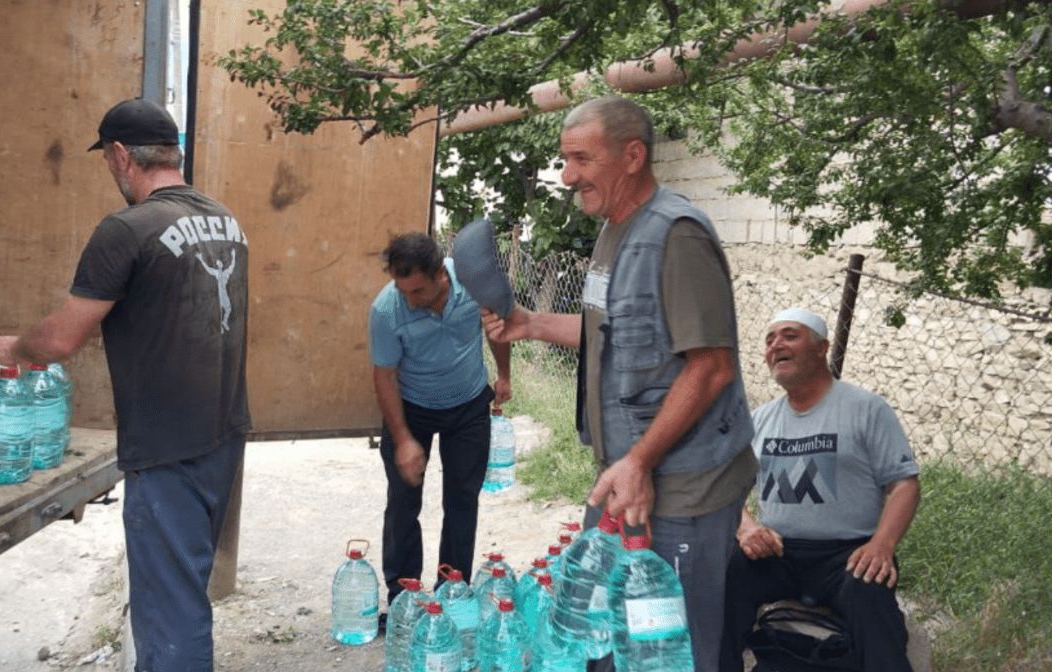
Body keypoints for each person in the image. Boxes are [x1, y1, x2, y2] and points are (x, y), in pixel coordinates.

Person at [481, 95, 755, 672]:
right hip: (629, 478)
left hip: (682, 488)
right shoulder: (613, 229)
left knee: (673, 648)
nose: (566, 176)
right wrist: (530, 324)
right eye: (564, 159)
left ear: (633, 156)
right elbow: (613, 331)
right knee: (608, 638)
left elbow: (711, 366)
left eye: (581, 159)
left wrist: (640, 461)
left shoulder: (676, 235)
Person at [0, 98, 250, 672]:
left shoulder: (128, 228)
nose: (109, 166)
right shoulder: (226, 220)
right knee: (183, 596)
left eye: (107, 155)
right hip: (223, 436)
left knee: (171, 616)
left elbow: (61, 340)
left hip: (166, 449)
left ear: (122, 155)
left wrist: (15, 349)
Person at [721, 308, 921, 672]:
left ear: (821, 348)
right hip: (778, 553)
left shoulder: (865, 408)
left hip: (847, 554)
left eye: (789, 335)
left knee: (870, 595)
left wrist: (882, 545)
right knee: (726, 576)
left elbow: (905, 484)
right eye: (769, 340)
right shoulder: (761, 419)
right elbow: (730, 489)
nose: (776, 345)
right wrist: (747, 528)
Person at [369, 232, 512, 607]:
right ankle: (404, 597)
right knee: (403, 502)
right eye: (402, 290)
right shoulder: (387, 310)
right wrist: (402, 440)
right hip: (413, 407)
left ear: (440, 277)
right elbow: (383, 376)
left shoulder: (471, 284)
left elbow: (496, 327)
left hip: (468, 405)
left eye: (416, 291)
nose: (408, 300)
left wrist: (504, 375)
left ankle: (452, 591)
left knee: (463, 501)